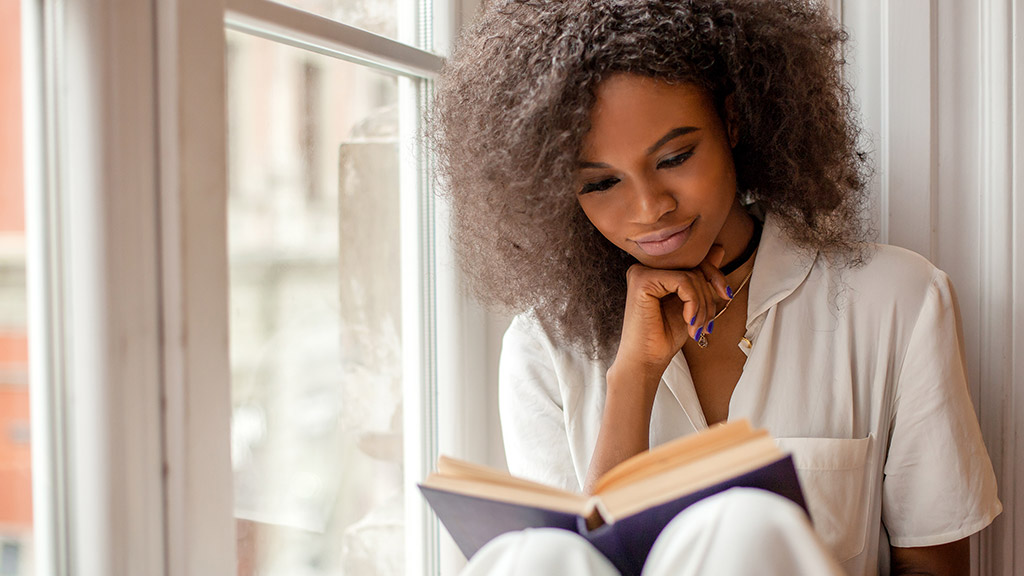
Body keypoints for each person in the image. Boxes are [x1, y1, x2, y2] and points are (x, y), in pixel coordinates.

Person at [431, 0, 1002, 574]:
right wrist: (634, 376)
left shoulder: (896, 300)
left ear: (731, 121)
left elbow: (934, 563)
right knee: (535, 557)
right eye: (601, 182)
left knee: (742, 529)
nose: (651, 208)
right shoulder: (542, 347)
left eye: (675, 156)